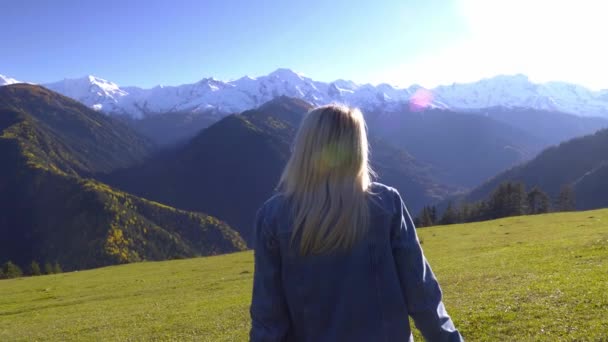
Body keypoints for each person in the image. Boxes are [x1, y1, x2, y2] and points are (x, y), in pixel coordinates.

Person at [250, 104, 463, 341]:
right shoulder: (385, 204)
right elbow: (421, 294)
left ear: (303, 147)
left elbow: (267, 316)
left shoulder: (272, 217)